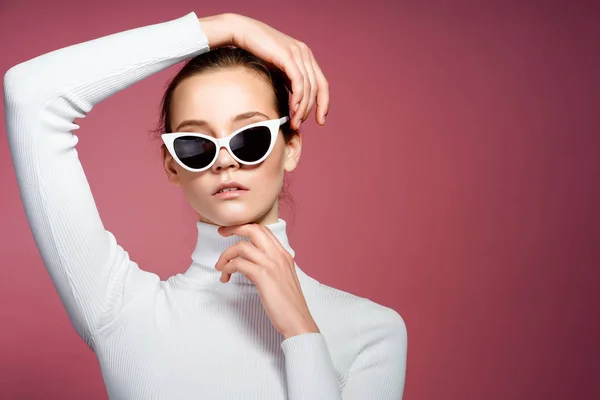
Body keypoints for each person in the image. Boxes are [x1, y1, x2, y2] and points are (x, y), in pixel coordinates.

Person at [4, 11, 407, 400]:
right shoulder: (121, 311)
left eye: (250, 138)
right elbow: (31, 95)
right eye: (195, 145)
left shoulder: (371, 332)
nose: (225, 160)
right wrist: (224, 27)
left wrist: (301, 331)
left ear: (291, 148)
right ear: (172, 166)